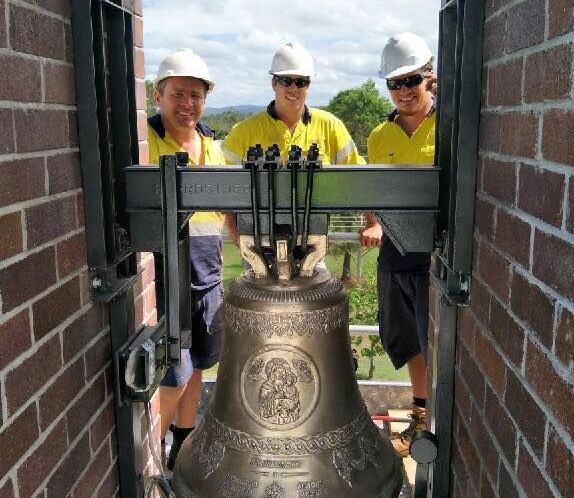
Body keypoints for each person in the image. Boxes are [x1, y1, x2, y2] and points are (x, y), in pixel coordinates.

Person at [360, 32, 437, 457]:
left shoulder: (449, 127)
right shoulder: (379, 136)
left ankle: (439, 420)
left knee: (437, 338)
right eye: (395, 84)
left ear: (431, 78)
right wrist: (371, 222)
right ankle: (421, 418)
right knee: (405, 335)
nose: (404, 91)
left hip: (436, 251)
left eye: (412, 80)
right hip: (395, 249)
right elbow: (374, 192)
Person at [148, 49, 225, 470]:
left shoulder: (212, 144)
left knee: (197, 365)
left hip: (208, 274)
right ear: (159, 95)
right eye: (178, 93)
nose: (187, 104)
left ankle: (183, 445)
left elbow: (227, 209)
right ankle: (149, 457)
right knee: (174, 371)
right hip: (166, 276)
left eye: (196, 95)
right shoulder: (144, 139)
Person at [222, 42, 365, 242]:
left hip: (313, 243)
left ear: (309, 85)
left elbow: (360, 177)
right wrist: (234, 231)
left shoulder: (331, 127)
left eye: (301, 82)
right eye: (286, 80)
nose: (293, 88)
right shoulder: (244, 132)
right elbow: (223, 186)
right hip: (258, 241)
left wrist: (373, 224)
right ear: (274, 83)